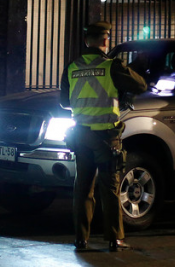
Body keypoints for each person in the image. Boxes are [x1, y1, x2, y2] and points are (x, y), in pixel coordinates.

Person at [59, 21, 147, 252]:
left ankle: (81, 239)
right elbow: (141, 85)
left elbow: (63, 102)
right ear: (105, 40)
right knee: (109, 188)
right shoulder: (111, 66)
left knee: (82, 188)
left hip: (80, 134)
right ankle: (114, 238)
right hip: (106, 136)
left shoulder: (72, 66)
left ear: (86, 40)